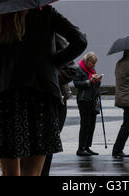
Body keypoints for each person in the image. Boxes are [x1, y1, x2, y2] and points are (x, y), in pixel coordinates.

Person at [0, 6, 87, 176]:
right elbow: (80, 41)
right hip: (39, 96)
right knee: (33, 172)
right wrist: (51, 64)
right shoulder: (45, 12)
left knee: (9, 172)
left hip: (3, 98)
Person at [41, 34, 77, 177]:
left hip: (54, 97)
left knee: (47, 142)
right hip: (39, 96)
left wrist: (47, 81)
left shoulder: (51, 34)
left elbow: (70, 69)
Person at [74, 52, 102, 156]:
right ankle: (80, 148)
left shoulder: (92, 70)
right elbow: (76, 83)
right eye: (93, 63)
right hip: (84, 100)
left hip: (93, 100)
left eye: (95, 63)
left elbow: (94, 85)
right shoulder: (79, 69)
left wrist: (98, 81)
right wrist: (88, 81)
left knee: (92, 124)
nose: (94, 65)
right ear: (87, 61)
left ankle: (87, 146)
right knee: (85, 124)